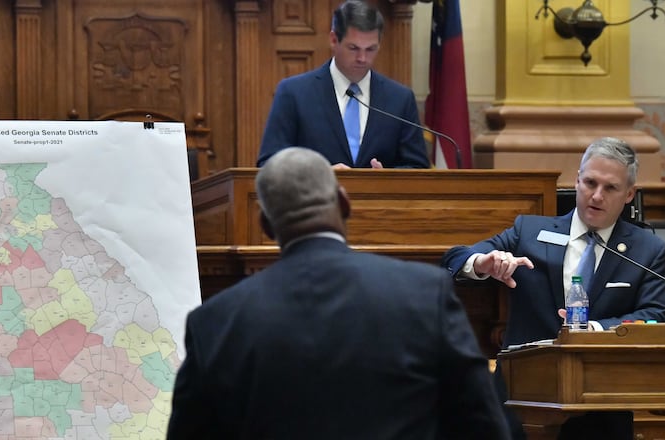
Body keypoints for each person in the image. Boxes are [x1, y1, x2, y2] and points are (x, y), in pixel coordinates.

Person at [167, 147, 509, 439]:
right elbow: (481, 426)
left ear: (267, 227)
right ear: (344, 203)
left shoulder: (214, 322)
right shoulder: (424, 293)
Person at [440, 137, 665, 440]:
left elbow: (656, 316)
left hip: (600, 404)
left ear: (629, 194)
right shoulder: (531, 232)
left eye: (610, 188)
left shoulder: (646, 249)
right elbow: (454, 258)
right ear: (576, 181)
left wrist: (597, 330)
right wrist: (484, 262)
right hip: (521, 396)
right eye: (589, 182)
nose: (597, 196)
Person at [257, 0, 430, 170]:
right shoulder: (293, 93)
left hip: (379, 198)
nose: (362, 58)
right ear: (333, 40)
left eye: (370, 49)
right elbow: (268, 164)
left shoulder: (400, 99)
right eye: (353, 48)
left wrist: (386, 179)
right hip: (314, 197)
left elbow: (418, 167)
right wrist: (319, 175)